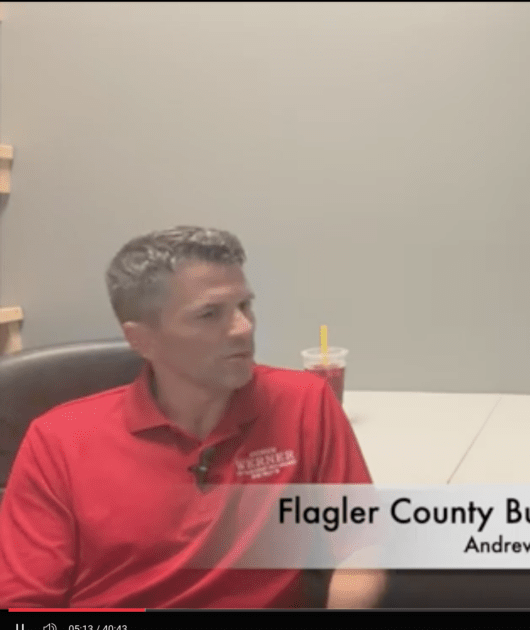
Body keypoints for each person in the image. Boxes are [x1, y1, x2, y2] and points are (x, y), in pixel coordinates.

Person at [0, 226, 387, 608]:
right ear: (141, 339)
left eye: (245, 305)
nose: (244, 327)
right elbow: (25, 602)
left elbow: (360, 547)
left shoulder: (303, 401)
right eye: (209, 314)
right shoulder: (59, 440)